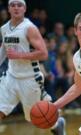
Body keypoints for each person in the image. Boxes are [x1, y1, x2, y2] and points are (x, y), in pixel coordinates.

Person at [0, 0, 65, 135]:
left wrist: (19, 55)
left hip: (29, 78)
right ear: (8, 9)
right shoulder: (4, 28)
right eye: (13, 5)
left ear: (25, 8)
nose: (16, 8)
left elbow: (44, 54)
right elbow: (4, 50)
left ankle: (57, 124)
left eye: (19, 5)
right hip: (10, 76)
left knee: (36, 117)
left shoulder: (29, 28)